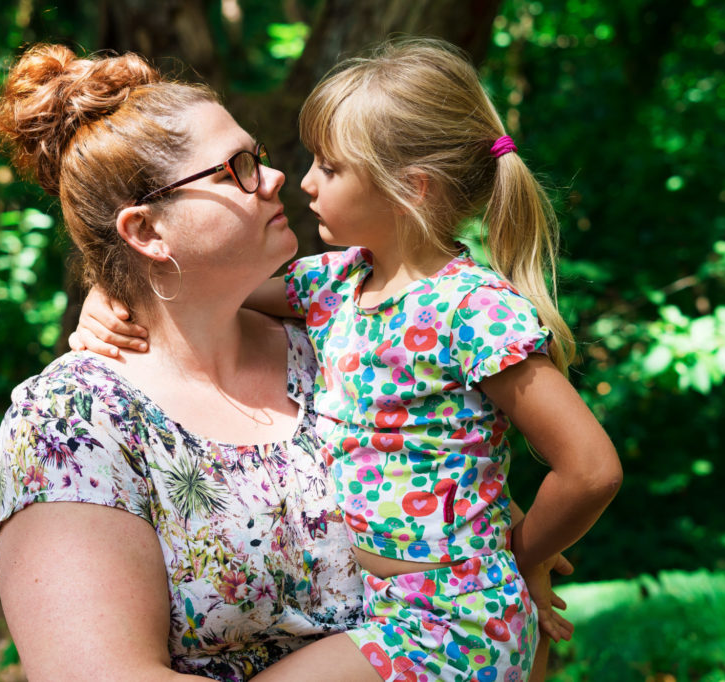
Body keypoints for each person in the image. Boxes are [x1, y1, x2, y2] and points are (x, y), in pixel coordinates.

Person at [75, 38, 620, 682]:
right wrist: (110, 290)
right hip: (391, 612)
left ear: (409, 189)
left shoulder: (470, 309)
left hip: (454, 619)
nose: (301, 181)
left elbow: (590, 470)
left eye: (329, 169)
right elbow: (201, 281)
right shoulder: (337, 287)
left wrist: (522, 557)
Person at [0, 43, 366, 681]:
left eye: (258, 157)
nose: (273, 179)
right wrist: (384, 659)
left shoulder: (340, 345)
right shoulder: (73, 424)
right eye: (235, 169)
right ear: (147, 232)